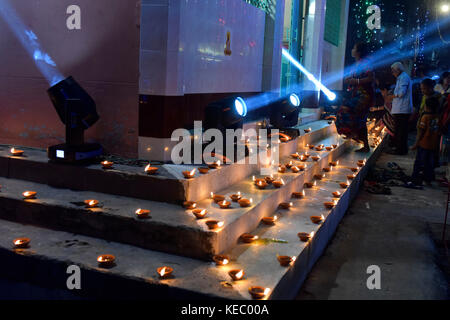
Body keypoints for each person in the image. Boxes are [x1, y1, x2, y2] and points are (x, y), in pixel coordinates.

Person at [336, 42, 375, 153]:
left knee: (344, 110)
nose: (352, 49)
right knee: (360, 120)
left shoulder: (365, 63)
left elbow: (371, 78)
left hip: (364, 96)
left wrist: (356, 81)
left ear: (358, 52)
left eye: (354, 47)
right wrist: (349, 80)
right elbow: (352, 79)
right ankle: (364, 144)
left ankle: (352, 133)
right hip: (357, 94)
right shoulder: (357, 64)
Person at [411, 97, 441, 186]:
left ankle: (415, 178)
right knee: (429, 163)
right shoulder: (437, 117)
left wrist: (416, 144)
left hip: (424, 144)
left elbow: (421, 132)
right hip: (433, 144)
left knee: (419, 162)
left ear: (426, 107)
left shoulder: (425, 117)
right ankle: (428, 179)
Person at [388, 62, 413, 155]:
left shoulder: (404, 78)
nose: (392, 73)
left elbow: (402, 93)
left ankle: (400, 150)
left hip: (402, 109)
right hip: (400, 109)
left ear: (398, 70)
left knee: (401, 131)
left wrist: (392, 96)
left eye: (393, 71)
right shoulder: (401, 78)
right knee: (399, 130)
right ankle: (399, 149)